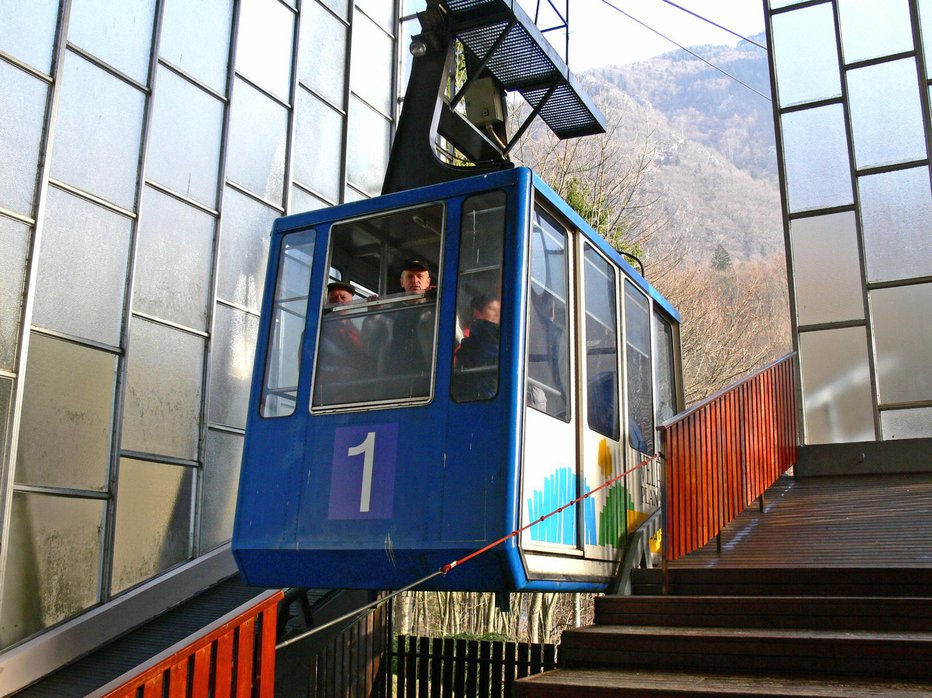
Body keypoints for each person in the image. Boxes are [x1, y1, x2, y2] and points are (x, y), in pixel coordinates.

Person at [383, 258, 436, 395]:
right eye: (410, 276)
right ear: (402, 282)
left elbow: (456, 337)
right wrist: (373, 317)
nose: (415, 280)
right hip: (393, 380)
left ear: (428, 282)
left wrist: (437, 305)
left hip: (427, 379)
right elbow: (372, 348)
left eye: (419, 276)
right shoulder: (389, 313)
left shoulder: (436, 308)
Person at [453, 294, 500, 400]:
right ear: (477, 313)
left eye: (499, 310)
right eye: (492, 309)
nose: (497, 313)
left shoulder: (502, 340)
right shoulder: (465, 338)